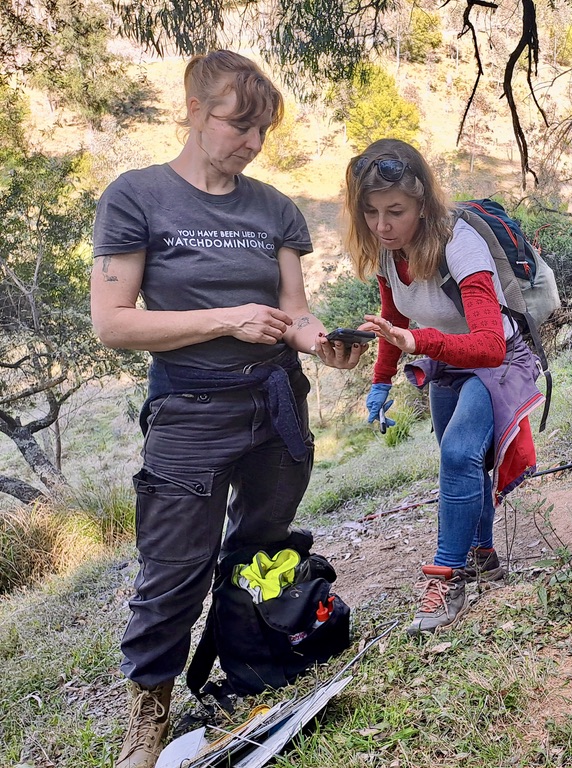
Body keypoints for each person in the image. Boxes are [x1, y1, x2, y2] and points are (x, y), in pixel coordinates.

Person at [90, 50, 365, 768]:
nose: (250, 142)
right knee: (171, 573)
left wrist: (321, 344)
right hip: (190, 411)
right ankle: (147, 721)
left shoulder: (273, 207)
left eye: (261, 131)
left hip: (275, 404)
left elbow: (294, 314)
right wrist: (226, 320)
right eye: (239, 124)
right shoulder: (137, 197)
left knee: (259, 549)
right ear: (193, 110)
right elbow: (114, 324)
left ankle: (249, 666)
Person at [342, 138, 544, 637]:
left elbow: (489, 345)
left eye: (396, 211)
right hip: (444, 360)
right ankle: (483, 557)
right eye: (370, 212)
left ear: (423, 205)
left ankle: (445, 577)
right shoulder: (389, 252)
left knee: (458, 453)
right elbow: (393, 317)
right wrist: (379, 382)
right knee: (460, 461)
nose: (382, 225)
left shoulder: (461, 245)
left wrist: (418, 340)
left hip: (495, 360)